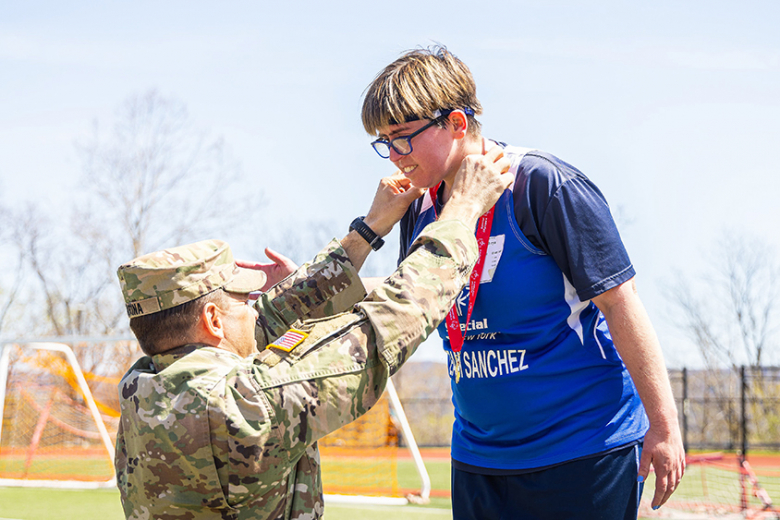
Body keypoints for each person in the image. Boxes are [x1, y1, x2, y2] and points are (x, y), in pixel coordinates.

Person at [360, 45, 685, 519]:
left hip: (582, 449)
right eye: (383, 141)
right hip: (479, 458)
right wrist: (326, 285)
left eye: (403, 137)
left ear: (455, 122)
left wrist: (664, 423)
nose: (393, 155)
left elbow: (621, 302)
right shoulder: (418, 207)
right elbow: (412, 299)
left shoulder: (544, 185)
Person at [113, 148, 512, 520]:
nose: (255, 308)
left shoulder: (142, 387)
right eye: (244, 300)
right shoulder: (247, 404)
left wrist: (367, 232)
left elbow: (269, 321)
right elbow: (387, 324)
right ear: (214, 320)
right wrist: (461, 211)